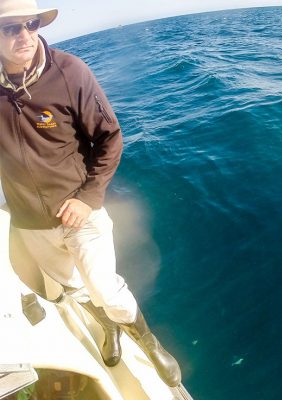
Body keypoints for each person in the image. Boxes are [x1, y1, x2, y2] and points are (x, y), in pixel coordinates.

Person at [0, 0, 181, 387]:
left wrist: (87, 197)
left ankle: (147, 342)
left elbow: (110, 138)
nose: (25, 35)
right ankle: (108, 329)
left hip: (81, 212)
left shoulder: (69, 71)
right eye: (10, 28)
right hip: (31, 222)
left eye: (31, 24)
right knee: (73, 288)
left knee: (106, 290)